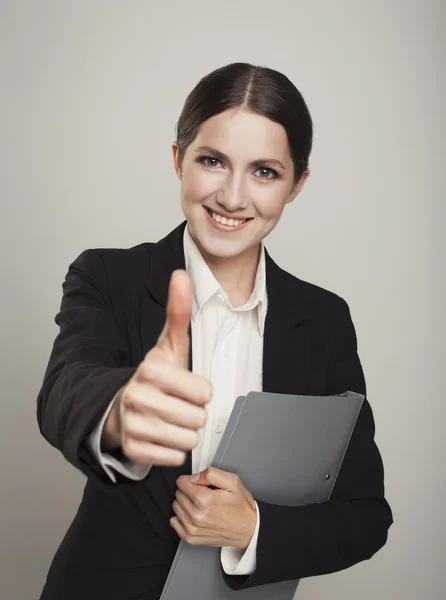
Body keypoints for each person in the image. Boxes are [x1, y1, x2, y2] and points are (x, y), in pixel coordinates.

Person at [36, 62, 393, 600]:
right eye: (212, 161)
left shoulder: (325, 322)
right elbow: (66, 387)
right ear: (179, 159)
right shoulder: (108, 277)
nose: (232, 196)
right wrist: (121, 413)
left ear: (297, 184)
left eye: (265, 172)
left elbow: (365, 516)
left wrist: (254, 530)